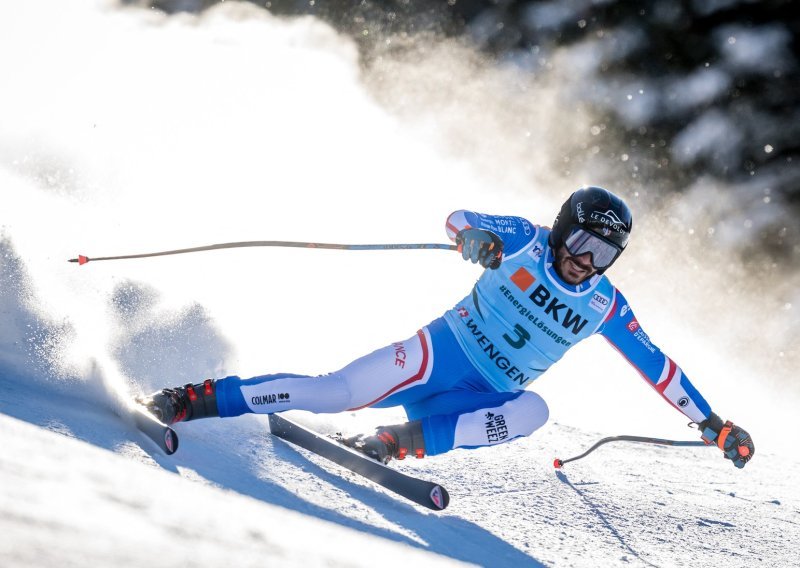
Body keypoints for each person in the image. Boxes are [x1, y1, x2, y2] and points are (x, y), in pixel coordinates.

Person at [143, 186, 754, 468]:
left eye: (604, 254)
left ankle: (398, 444)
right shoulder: (526, 241)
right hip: (437, 354)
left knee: (534, 411)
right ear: (564, 226)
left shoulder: (604, 304)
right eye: (583, 242)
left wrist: (712, 423)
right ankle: (192, 399)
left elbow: (659, 366)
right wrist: (476, 238)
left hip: (487, 395)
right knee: (334, 393)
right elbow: (461, 216)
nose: (585, 260)